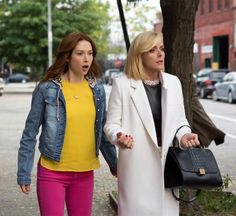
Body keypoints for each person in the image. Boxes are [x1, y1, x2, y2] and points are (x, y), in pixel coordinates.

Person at [17, 32, 117, 216]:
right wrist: (24, 171)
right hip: (52, 173)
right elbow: (30, 132)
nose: (86, 58)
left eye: (90, 53)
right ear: (67, 56)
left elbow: (102, 131)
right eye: (80, 53)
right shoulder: (47, 88)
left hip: (85, 173)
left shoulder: (97, 90)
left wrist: (115, 164)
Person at [104, 31, 200, 216]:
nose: (160, 54)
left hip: (168, 168)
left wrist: (184, 135)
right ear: (139, 55)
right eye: (152, 50)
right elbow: (111, 125)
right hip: (136, 168)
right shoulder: (122, 84)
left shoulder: (173, 83)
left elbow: (180, 121)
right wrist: (119, 136)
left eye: (162, 49)